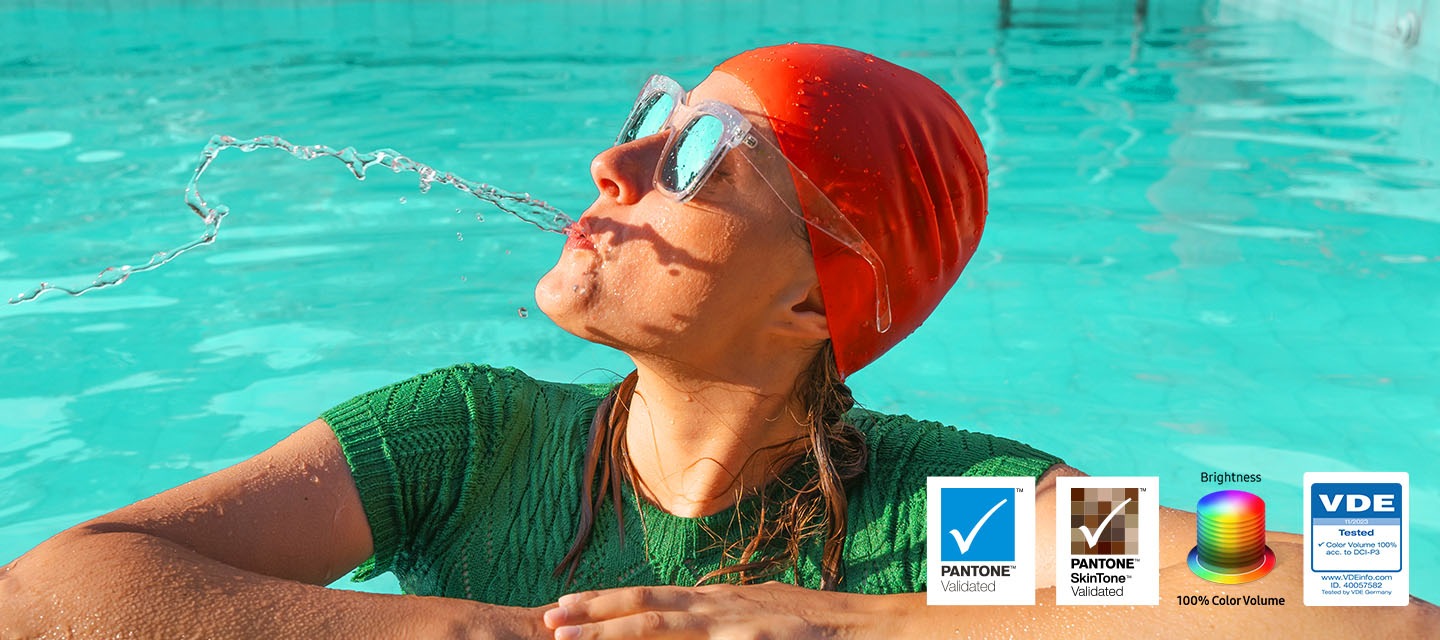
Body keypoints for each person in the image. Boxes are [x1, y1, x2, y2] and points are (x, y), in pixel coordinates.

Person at [1, 44, 1434, 639]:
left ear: (820, 300)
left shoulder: (960, 515)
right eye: (650, 128)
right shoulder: (466, 435)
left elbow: (1372, 612)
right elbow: (57, 589)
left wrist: (851, 623)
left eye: (705, 162)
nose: (612, 173)